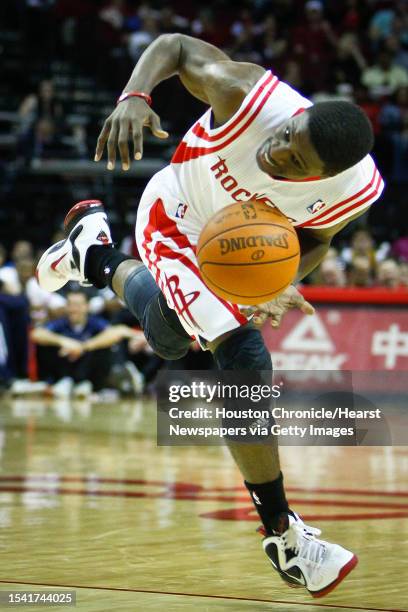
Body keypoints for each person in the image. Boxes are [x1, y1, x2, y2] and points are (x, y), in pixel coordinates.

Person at [37, 33, 385, 597]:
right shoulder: (247, 96)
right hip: (174, 217)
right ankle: (283, 534)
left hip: (233, 255)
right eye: (286, 138)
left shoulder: (356, 189)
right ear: (297, 116)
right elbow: (173, 47)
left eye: (295, 163)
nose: (278, 153)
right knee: (241, 351)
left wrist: (281, 279)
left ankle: (94, 255)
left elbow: (316, 237)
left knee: (172, 341)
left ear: (323, 175)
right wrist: (136, 97)